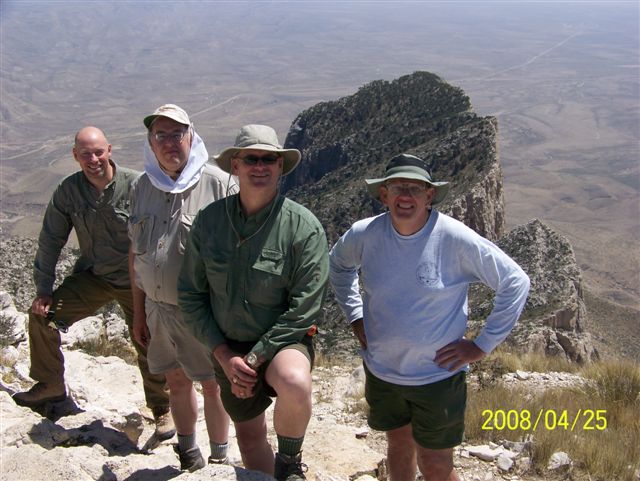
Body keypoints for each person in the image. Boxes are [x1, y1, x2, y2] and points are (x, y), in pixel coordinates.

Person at [329, 153, 530, 481]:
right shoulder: (364, 234)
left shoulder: (453, 237)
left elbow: (516, 281)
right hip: (383, 373)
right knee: (398, 447)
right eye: (397, 188)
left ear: (429, 195)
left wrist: (481, 346)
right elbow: (337, 265)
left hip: (437, 379)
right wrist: (355, 315)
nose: (405, 196)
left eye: (415, 188)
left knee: (436, 464)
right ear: (384, 194)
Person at [177, 124, 329, 481]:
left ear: (280, 167)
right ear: (235, 166)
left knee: (293, 380)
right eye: (251, 159)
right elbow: (191, 295)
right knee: (248, 435)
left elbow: (304, 308)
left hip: (282, 343)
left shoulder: (303, 228)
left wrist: (254, 358)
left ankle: (290, 465)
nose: (260, 166)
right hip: (228, 346)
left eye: (269, 160)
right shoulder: (210, 223)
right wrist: (224, 356)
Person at [13, 126, 174, 440]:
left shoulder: (137, 186)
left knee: (148, 339)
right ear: (75, 156)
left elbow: (161, 236)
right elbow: (50, 241)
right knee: (42, 316)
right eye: (85, 153)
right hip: (94, 277)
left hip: (136, 282)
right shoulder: (68, 192)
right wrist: (43, 290)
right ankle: (50, 386)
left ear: (110, 150)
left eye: (98, 151)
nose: (93, 159)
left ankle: (163, 409)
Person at [128, 104, 235, 471]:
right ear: (151, 143)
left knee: (211, 384)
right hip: (158, 310)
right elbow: (135, 256)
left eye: (177, 134)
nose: (170, 143)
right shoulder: (142, 187)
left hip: (203, 312)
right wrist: (138, 312)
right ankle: (189, 453)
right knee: (175, 381)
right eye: (161, 135)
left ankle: (220, 456)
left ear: (192, 136)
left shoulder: (218, 184)